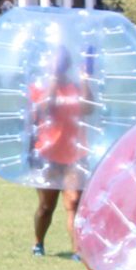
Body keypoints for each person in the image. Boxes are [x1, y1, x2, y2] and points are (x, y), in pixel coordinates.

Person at [26, 51, 89, 257]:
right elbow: (45, 108)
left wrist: (85, 80)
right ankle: (38, 243)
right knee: (46, 206)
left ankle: (77, 251)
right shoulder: (39, 88)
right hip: (47, 154)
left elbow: (88, 109)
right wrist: (53, 77)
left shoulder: (75, 88)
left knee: (73, 202)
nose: (58, 65)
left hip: (74, 153)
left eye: (61, 61)